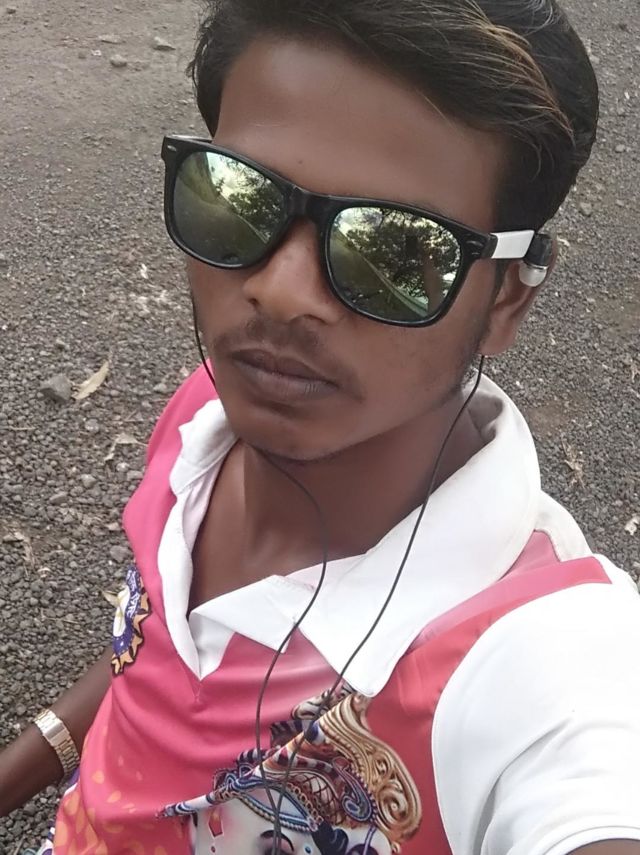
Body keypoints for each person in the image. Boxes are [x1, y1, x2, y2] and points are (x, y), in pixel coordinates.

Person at [1, 0, 639, 853]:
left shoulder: (532, 662)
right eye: (239, 199)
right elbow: (161, 643)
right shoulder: (206, 416)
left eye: (397, 250)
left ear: (508, 300)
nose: (280, 291)